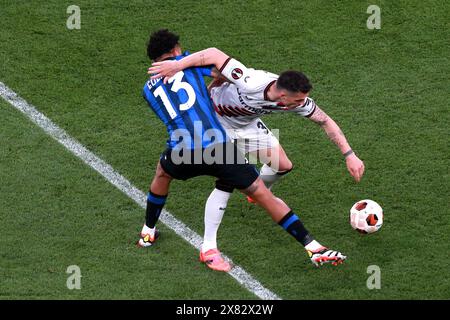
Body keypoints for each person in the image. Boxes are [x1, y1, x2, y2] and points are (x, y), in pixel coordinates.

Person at [139, 29, 346, 272]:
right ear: (175, 50)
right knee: (261, 193)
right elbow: (217, 67)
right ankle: (313, 247)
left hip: (181, 146)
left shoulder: (147, 89)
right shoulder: (188, 64)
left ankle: (147, 232)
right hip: (217, 146)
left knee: (162, 175)